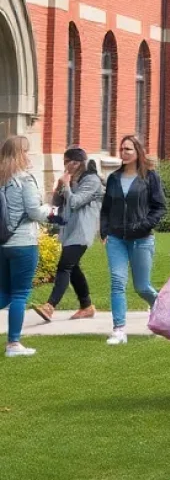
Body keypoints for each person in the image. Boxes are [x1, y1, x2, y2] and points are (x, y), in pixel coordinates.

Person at [98, 135, 167, 345]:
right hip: (116, 238)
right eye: (121, 149)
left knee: (142, 286)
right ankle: (119, 329)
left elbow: (160, 207)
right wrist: (104, 231)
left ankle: (162, 309)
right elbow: (106, 208)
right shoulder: (114, 178)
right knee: (117, 282)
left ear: (138, 152)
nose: (123, 153)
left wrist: (144, 225)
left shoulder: (150, 177)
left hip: (142, 239)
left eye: (128, 149)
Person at [31, 147, 103, 325]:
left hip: (82, 231)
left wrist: (68, 185)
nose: (66, 166)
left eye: (67, 162)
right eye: (64, 162)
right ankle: (86, 306)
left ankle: (50, 306)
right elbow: (56, 203)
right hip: (69, 230)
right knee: (73, 268)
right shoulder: (71, 179)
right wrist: (60, 185)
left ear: (77, 163)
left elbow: (76, 202)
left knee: (64, 267)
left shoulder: (91, 180)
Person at [0, 136, 51, 357]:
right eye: (26, 151)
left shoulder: (2, 180)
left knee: (4, 293)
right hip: (24, 243)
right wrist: (50, 210)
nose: (29, 155)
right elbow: (34, 212)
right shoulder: (25, 180)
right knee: (19, 294)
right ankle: (13, 344)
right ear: (20, 154)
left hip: (3, 244)